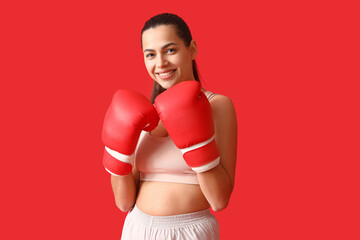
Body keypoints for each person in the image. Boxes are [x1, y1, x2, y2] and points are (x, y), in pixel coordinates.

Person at [102, 13, 238, 240]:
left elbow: (219, 200)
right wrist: (117, 156)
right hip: (137, 228)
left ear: (192, 49)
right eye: (150, 54)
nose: (160, 63)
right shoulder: (142, 114)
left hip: (189, 231)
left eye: (170, 50)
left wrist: (197, 146)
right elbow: (123, 202)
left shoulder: (218, 105)